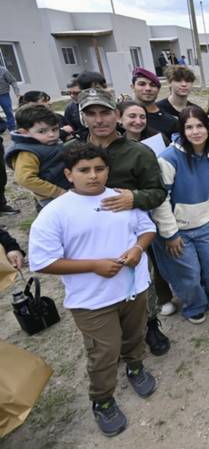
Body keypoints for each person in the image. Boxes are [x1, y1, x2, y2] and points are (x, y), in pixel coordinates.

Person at [28, 143, 158, 437]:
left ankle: (136, 367)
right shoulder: (55, 213)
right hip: (92, 300)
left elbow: (147, 228)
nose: (93, 176)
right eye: (84, 170)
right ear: (68, 174)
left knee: (135, 334)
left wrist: (138, 248)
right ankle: (102, 399)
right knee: (104, 352)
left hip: (133, 288)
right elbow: (43, 261)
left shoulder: (121, 198)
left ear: (108, 170)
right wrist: (93, 265)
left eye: (99, 169)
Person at [65, 88, 171, 356]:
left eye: (105, 112)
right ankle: (111, 333)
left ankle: (150, 324)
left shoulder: (138, 152)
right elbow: (60, 188)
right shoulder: (71, 150)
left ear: (116, 115)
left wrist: (134, 198)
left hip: (130, 231)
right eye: (92, 114)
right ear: (83, 117)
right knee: (97, 283)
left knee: (139, 279)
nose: (99, 120)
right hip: (87, 234)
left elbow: (158, 192)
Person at [150, 106, 209, 324]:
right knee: (189, 273)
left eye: (200, 126)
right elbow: (161, 200)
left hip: (205, 224)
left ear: (208, 128)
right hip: (177, 229)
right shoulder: (168, 158)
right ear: (182, 130)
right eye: (189, 127)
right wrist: (170, 234)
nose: (195, 132)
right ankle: (194, 306)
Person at [5, 105, 70, 207]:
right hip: (52, 197)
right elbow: (25, 179)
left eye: (55, 129)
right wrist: (58, 192)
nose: (51, 134)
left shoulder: (45, 142)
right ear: (24, 132)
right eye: (42, 131)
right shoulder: (27, 153)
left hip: (66, 188)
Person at [131, 68, 178, 138]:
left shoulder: (170, 122)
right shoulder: (121, 116)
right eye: (142, 84)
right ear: (132, 87)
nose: (148, 88)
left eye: (153, 85)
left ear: (158, 90)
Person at [0, 65, 20, 130]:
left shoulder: (3, 70)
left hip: (3, 95)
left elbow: (13, 81)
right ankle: (2, 127)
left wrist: (17, 92)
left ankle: (12, 128)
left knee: (8, 112)